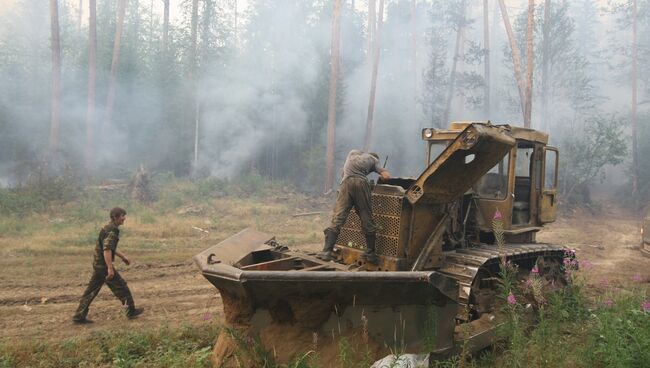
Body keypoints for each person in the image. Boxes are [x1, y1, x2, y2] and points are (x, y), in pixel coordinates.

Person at [72, 207, 143, 324]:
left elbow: (110, 247)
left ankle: (79, 316)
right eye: (122, 216)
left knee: (91, 291)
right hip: (103, 266)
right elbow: (107, 250)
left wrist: (122, 257)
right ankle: (131, 311)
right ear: (115, 217)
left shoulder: (107, 227)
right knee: (122, 288)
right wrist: (110, 268)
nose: (124, 218)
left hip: (98, 264)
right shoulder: (112, 230)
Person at [318, 150, 390, 264]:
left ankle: (327, 251)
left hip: (345, 183)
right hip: (360, 184)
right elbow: (386, 176)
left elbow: (343, 174)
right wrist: (381, 177)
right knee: (366, 217)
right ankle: (370, 254)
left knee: (338, 217)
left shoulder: (352, 155)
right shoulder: (374, 160)